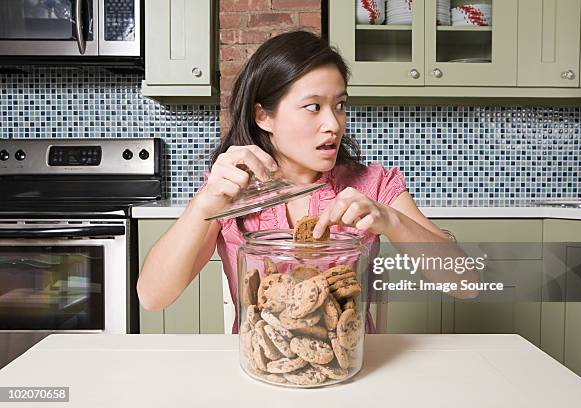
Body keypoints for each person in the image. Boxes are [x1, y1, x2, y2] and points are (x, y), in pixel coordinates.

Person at [137, 30, 479, 334]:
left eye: (340, 105)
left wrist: (390, 219)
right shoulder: (231, 189)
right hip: (261, 368)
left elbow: (468, 284)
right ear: (264, 116)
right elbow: (153, 296)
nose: (333, 123)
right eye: (313, 107)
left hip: (351, 369)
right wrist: (202, 206)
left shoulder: (372, 184)